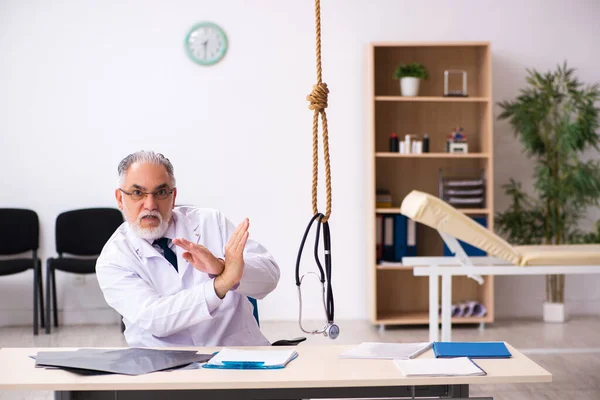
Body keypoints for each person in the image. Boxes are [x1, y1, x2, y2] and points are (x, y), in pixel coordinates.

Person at [96, 151, 280, 347]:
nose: (150, 205)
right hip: (165, 367)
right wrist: (222, 283)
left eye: (160, 192)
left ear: (173, 196)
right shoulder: (113, 259)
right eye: (137, 193)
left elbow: (270, 277)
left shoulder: (210, 221)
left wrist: (221, 267)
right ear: (119, 198)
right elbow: (155, 319)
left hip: (239, 356)